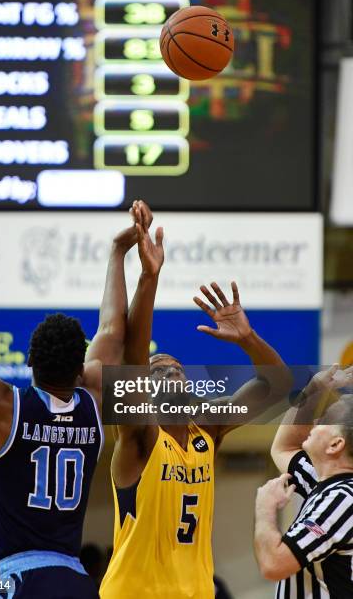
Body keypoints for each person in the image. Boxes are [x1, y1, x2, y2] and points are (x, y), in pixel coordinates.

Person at [0, 210, 143, 599]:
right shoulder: (94, 403)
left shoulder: (1, 404)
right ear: (79, 372)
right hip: (77, 581)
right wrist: (119, 253)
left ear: (30, 361)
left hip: (24, 579)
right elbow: (112, 331)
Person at [100, 204, 291, 599]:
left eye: (175, 366)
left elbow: (278, 386)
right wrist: (149, 277)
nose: (169, 370)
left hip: (196, 591)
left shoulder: (208, 427)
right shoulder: (140, 437)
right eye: (156, 370)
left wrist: (248, 340)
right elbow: (132, 359)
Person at [254, 365, 353, 598]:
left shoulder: (342, 499)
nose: (315, 421)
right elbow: (284, 447)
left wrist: (265, 509)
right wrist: (314, 390)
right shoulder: (325, 483)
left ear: (335, 445)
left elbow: (273, 564)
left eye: (324, 420)